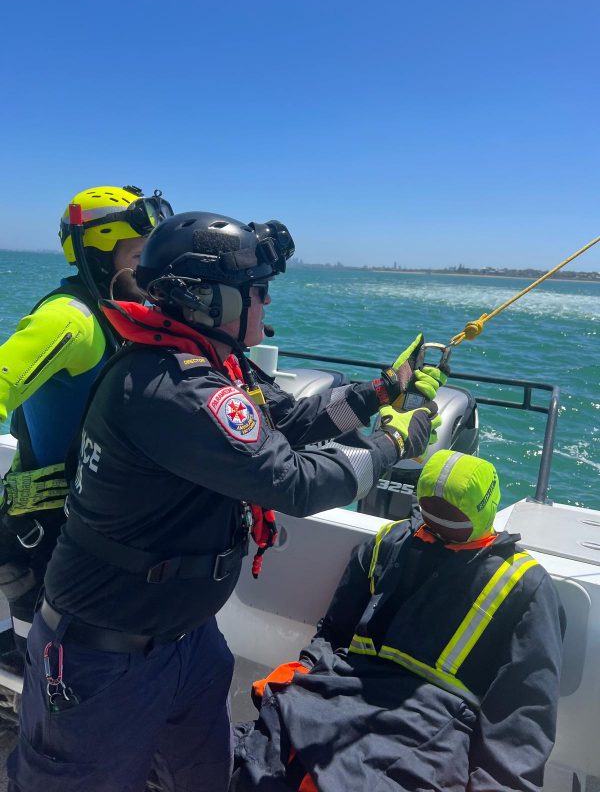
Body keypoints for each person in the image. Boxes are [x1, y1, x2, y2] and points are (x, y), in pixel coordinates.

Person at [7, 210, 446, 792]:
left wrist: (379, 392)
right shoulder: (171, 386)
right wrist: (394, 444)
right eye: (257, 292)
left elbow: (288, 420)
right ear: (209, 300)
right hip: (103, 661)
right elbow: (292, 482)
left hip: (187, 642)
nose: (266, 303)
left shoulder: (214, 366)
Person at [231, 449, 566, 792]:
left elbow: (521, 715)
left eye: (449, 513)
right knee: (258, 762)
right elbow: (334, 630)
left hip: (434, 724)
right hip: (338, 693)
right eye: (430, 508)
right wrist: (308, 665)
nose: (436, 519)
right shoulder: (388, 542)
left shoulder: (524, 584)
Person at [0, 185, 173, 667]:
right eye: (139, 256)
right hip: (47, 526)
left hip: (95, 517)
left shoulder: (126, 314)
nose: (152, 271)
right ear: (97, 256)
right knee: (50, 665)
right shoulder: (69, 318)